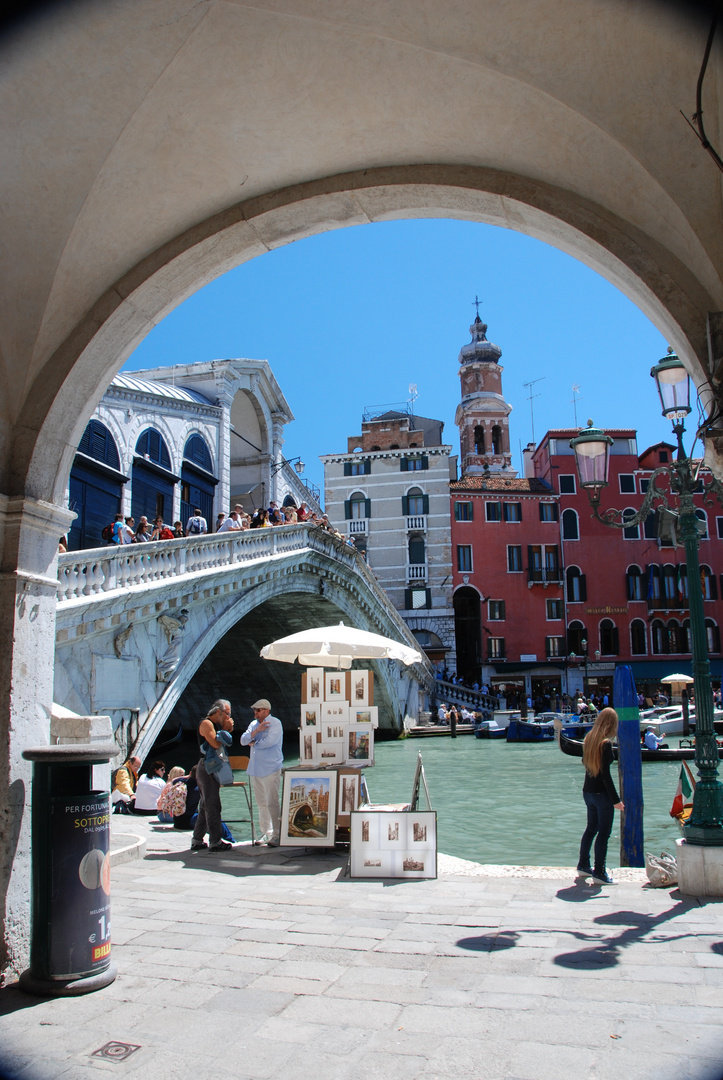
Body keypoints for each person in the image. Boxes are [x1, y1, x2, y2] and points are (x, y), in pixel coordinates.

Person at [577, 707, 624, 885]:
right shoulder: (605, 743)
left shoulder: (588, 739)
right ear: (611, 724)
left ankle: (583, 865)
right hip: (601, 794)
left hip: (587, 792)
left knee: (591, 829)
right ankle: (600, 872)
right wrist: (616, 800)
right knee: (603, 833)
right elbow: (606, 775)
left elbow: (585, 763)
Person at [191, 700, 235, 852]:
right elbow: (216, 744)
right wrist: (225, 729)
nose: (229, 717)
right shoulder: (206, 723)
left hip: (209, 767)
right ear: (219, 712)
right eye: (227, 714)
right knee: (212, 804)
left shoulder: (214, 725)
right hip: (207, 768)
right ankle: (215, 841)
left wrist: (225, 729)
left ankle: (197, 840)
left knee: (205, 805)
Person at [240, 698, 283, 847]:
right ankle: (266, 832)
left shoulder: (275, 723)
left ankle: (277, 834)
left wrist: (254, 742)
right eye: (255, 710)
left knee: (272, 802)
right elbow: (243, 740)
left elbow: (269, 742)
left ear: (266, 710)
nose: (255, 713)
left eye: (258, 710)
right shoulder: (254, 725)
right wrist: (257, 731)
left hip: (271, 768)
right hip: (255, 769)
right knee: (261, 803)